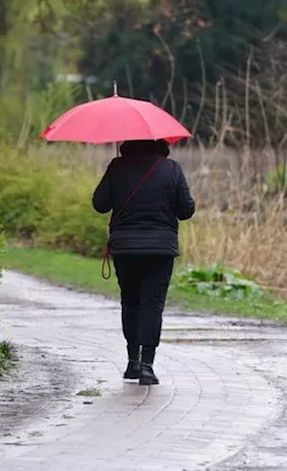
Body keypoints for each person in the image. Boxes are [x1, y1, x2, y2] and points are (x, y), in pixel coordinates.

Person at [92, 139, 195, 386]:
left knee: (131, 301)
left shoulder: (117, 166)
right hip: (161, 250)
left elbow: (99, 204)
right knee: (152, 304)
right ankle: (148, 366)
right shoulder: (171, 168)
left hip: (125, 249)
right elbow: (186, 210)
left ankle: (132, 362)